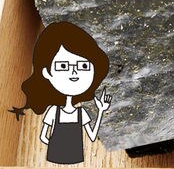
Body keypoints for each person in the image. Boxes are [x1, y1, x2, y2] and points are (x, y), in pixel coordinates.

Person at [9, 21, 111, 164]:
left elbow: (93, 136)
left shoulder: (81, 113)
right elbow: (43, 136)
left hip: (76, 158)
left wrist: (101, 111)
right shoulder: (53, 111)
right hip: (55, 157)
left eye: (83, 66)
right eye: (63, 66)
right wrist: (56, 146)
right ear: (47, 72)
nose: (74, 72)